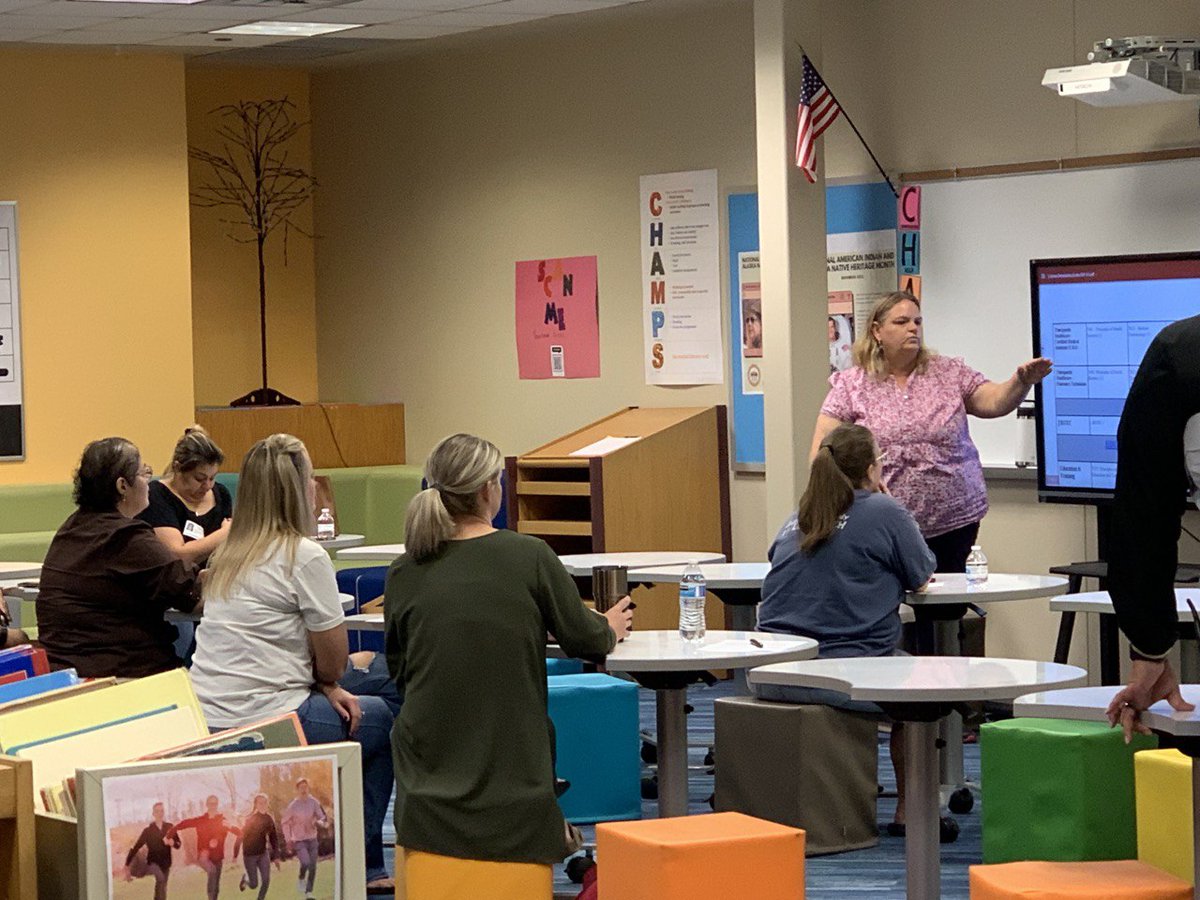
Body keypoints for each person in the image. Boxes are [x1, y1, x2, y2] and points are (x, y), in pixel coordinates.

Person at [384, 433, 633, 871]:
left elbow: (400, 668)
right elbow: (585, 640)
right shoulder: (529, 555)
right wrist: (609, 626)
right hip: (512, 767)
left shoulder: (404, 569)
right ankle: (555, 829)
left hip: (426, 774)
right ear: (487, 490)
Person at [188, 433, 397, 894]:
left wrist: (325, 684)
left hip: (207, 711)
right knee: (384, 715)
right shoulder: (304, 556)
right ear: (299, 488)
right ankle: (364, 864)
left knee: (368, 691)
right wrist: (327, 684)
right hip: (269, 719)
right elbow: (335, 663)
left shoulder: (227, 555)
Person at [756, 423, 935, 832]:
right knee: (925, 693)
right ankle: (911, 809)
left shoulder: (800, 514)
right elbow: (922, 573)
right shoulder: (884, 510)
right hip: (843, 671)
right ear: (872, 469)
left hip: (770, 671)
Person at [810, 291, 1053, 572]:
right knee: (880, 600)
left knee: (945, 607)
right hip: (880, 519)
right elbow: (822, 453)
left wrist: (1020, 382)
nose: (913, 328)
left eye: (917, 321)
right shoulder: (852, 384)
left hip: (953, 518)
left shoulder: (948, 372)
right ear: (877, 330)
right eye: (901, 322)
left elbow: (994, 401)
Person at [1104, 315, 1198, 740]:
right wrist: (1150, 649)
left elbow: (1143, 515)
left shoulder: (1179, 349)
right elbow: (1144, 516)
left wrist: (1150, 647)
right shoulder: (1181, 353)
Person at [37, 437, 201, 677]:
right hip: (121, 675)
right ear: (123, 486)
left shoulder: (71, 527)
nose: (149, 482)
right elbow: (190, 594)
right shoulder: (125, 536)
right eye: (145, 473)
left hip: (66, 672)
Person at [140, 426, 232, 567]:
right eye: (199, 479)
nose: (207, 486)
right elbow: (177, 556)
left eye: (212, 478)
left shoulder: (221, 494)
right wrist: (225, 533)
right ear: (177, 468)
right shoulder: (157, 496)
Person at [166, 795, 241, 900]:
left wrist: (231, 827)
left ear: (217, 805)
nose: (213, 806)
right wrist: (169, 835)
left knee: (216, 886)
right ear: (207, 805)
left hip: (218, 858)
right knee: (212, 871)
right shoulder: (200, 820)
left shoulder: (222, 821)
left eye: (215, 804)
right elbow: (183, 824)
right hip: (203, 856)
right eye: (211, 804)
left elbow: (240, 833)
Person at [123, 801, 181, 900]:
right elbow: (136, 847)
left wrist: (172, 843)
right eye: (157, 811)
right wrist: (127, 864)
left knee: (162, 887)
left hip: (166, 863)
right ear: (153, 814)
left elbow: (178, 844)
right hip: (153, 863)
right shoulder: (148, 831)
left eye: (162, 811)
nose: (160, 813)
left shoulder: (170, 827)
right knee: (161, 879)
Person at [281, 779, 328, 899]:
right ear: (297, 790)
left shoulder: (314, 802)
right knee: (305, 862)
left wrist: (319, 822)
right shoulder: (293, 805)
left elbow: (322, 817)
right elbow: (284, 822)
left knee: (313, 866)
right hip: (299, 840)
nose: (304, 790)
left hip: (312, 838)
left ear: (308, 788)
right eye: (301, 787)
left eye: (306, 787)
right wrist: (288, 839)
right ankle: (301, 877)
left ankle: (308, 893)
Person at [235, 794, 279, 900]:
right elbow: (241, 836)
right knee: (254, 884)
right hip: (250, 855)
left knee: (266, 880)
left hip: (263, 854)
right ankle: (246, 880)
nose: (263, 805)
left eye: (265, 802)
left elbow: (274, 838)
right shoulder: (251, 819)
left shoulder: (269, 819)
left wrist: (276, 856)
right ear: (256, 805)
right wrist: (235, 853)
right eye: (260, 803)